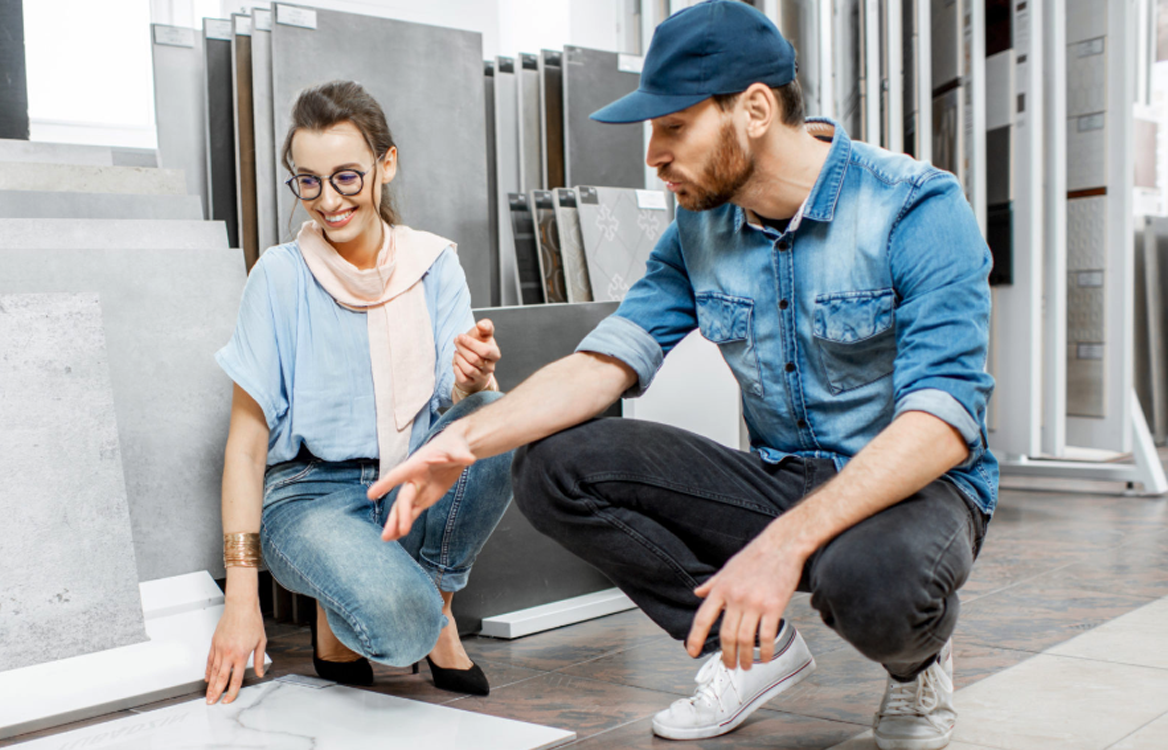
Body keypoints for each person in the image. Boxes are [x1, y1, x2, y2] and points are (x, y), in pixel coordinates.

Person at [368, 3, 994, 749]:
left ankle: (916, 662)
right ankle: (752, 650)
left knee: (871, 586)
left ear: (754, 109)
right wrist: (467, 440)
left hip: (914, 493)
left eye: (672, 127)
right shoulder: (699, 228)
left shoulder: (915, 207)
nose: (652, 156)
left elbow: (944, 418)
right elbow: (605, 364)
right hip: (784, 474)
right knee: (553, 463)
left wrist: (782, 544)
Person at [202, 80, 515, 705]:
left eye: (347, 176)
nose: (328, 200)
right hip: (312, 496)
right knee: (400, 632)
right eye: (309, 181)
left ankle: (437, 604)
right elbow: (244, 447)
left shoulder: (433, 264)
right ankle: (398, 610)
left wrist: (473, 380)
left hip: (411, 479)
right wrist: (240, 598)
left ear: (385, 165)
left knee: (497, 415)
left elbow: (464, 418)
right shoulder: (279, 277)